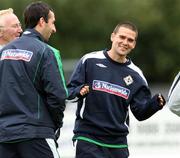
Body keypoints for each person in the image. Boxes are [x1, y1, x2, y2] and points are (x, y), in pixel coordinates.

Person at [67, 21, 166, 158]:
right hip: (88, 138)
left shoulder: (136, 75)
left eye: (130, 40)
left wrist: (154, 104)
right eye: (122, 37)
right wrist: (79, 92)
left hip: (118, 144)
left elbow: (140, 112)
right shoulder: (90, 61)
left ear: (134, 44)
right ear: (113, 36)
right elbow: (69, 93)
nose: (125, 42)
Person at [0, 1, 68, 158]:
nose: (54, 29)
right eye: (53, 23)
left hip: (5, 136)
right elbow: (57, 95)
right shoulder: (45, 51)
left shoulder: (5, 52)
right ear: (42, 21)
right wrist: (55, 124)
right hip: (36, 133)